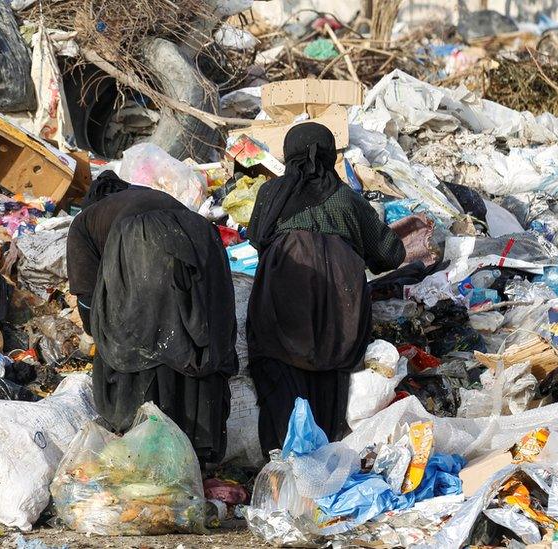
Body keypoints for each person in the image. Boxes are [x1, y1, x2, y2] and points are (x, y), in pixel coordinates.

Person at [245, 122, 406, 457]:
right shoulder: (347, 199)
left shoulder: (271, 195)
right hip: (341, 308)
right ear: (330, 155)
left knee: (280, 368)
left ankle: (281, 454)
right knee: (332, 372)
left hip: (282, 304)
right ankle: (327, 451)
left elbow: (256, 238)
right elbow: (390, 254)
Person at [67, 171, 237, 464]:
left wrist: (97, 333)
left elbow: (86, 294)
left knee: (139, 347)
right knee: (189, 342)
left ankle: (145, 450)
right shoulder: (154, 198)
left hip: (141, 243)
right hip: (200, 237)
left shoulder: (85, 221)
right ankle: (194, 448)